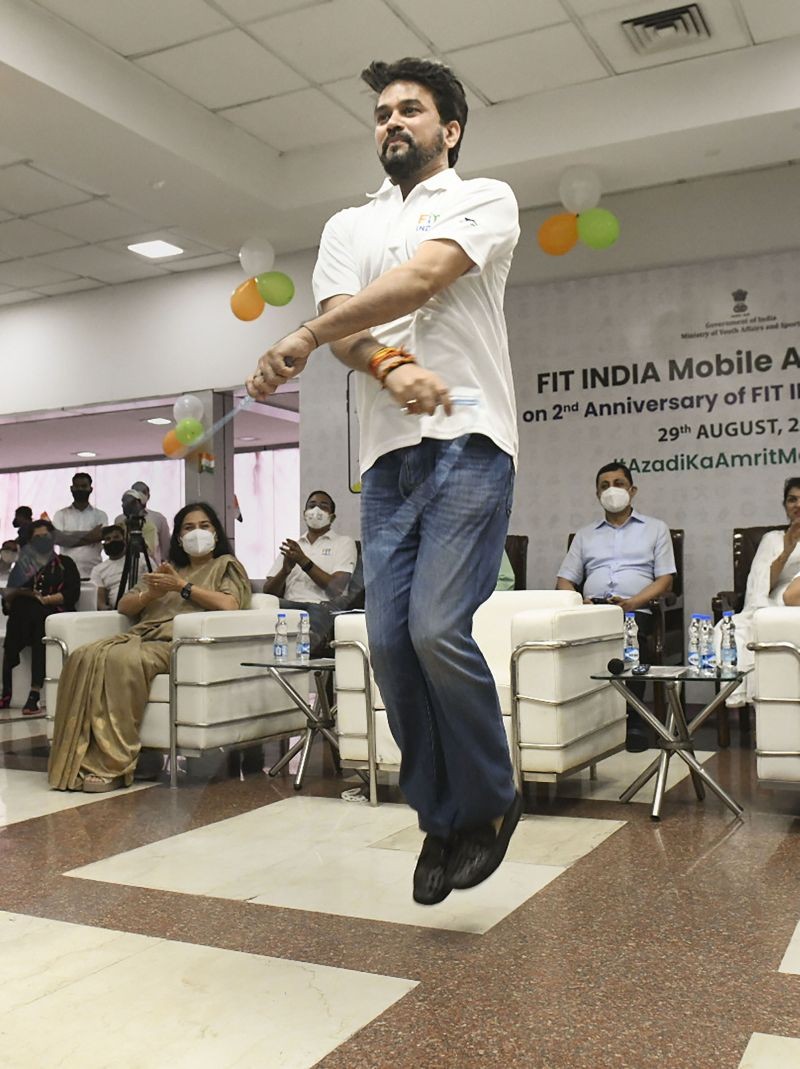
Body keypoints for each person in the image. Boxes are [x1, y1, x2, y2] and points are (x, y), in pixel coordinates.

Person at [247, 57, 522, 904]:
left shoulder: (485, 198)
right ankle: (441, 819)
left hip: (470, 435)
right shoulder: (345, 227)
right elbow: (346, 334)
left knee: (438, 628)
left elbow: (421, 278)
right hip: (388, 458)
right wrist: (387, 363)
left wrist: (304, 332)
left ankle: (490, 801)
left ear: (452, 129)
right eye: (381, 114)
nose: (392, 122)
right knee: (392, 644)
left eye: (410, 110)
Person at [48, 502, 251, 793]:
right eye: (188, 527)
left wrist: (182, 586)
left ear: (216, 534)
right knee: (85, 655)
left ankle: (114, 763)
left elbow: (229, 604)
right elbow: (125, 605)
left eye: (204, 526)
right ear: (179, 537)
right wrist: (151, 593)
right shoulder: (166, 569)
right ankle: (78, 757)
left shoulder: (225, 566)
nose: (197, 533)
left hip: (180, 644)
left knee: (123, 661)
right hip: (143, 636)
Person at [556, 462, 676, 751]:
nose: (612, 490)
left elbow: (666, 580)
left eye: (619, 483)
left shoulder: (656, 529)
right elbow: (563, 581)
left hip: (635, 610)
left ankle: (633, 721)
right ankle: (583, 724)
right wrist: (579, 602)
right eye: (604, 485)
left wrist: (633, 602)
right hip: (591, 612)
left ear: (632, 490)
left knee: (628, 648)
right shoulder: (585, 535)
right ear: (597, 494)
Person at [719, 478, 800, 705]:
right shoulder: (772, 538)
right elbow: (762, 585)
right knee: (731, 632)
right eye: (792, 499)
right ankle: (758, 703)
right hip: (773, 602)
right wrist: (787, 550)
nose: (797, 505)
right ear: (785, 505)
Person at [1, 519, 80, 713]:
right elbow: (8, 598)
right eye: (37, 538)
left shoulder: (65, 563)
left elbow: (72, 594)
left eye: (45, 536)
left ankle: (34, 692)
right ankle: (7, 691)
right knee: (21, 609)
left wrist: (45, 599)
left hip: (54, 612)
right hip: (25, 615)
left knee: (37, 617)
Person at [263, 490, 357, 654]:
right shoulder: (293, 545)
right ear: (304, 513)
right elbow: (269, 592)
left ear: (332, 517)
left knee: (311, 623)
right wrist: (285, 571)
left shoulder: (344, 543)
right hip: (287, 607)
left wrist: (304, 561)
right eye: (312, 506)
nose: (316, 510)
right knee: (262, 605)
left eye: (323, 506)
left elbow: (336, 588)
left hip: (318, 608)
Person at [52, 473, 108, 579]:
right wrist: (90, 535)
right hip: (66, 573)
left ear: (90, 489)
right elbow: (59, 538)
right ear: (71, 488)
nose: (80, 489)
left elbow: (100, 535)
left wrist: (68, 536)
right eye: (77, 487)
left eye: (83, 486)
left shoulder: (100, 515)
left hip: (94, 572)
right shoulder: (61, 514)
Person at [115, 481, 170, 564]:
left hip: (150, 565)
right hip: (124, 564)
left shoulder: (157, 519)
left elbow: (165, 547)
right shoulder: (119, 521)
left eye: (143, 492)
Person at [89, 524, 128, 610]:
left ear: (124, 540)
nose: (112, 541)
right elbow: (100, 601)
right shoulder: (98, 570)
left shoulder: (140, 558)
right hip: (117, 612)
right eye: (108, 539)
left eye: (116, 537)